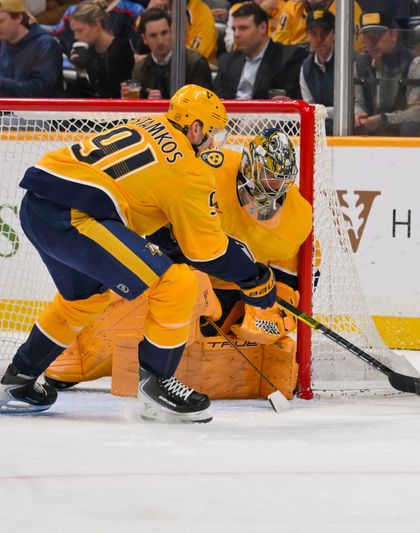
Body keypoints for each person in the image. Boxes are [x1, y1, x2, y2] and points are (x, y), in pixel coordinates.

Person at [0, 85, 278, 423]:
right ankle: (157, 384)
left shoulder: (148, 124)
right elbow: (209, 252)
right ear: (195, 128)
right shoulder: (189, 170)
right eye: (212, 133)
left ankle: (19, 380)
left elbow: (141, 197)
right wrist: (255, 279)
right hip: (74, 218)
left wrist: (170, 241)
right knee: (177, 284)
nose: (212, 143)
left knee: (84, 299)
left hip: (38, 206)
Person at [43, 128, 312, 396]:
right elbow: (163, 226)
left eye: (280, 180)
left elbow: (292, 279)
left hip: (234, 296)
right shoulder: (210, 172)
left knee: (203, 311)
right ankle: (79, 358)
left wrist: (270, 314)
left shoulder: (296, 218)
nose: (273, 186)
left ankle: (156, 372)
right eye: (267, 176)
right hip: (184, 276)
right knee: (177, 291)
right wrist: (181, 265)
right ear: (249, 165)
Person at [353, 10, 420, 136]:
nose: (372, 42)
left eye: (378, 35)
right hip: (368, 141)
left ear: (394, 35)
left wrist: (383, 120)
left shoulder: (415, 64)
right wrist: (358, 114)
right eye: (368, 36)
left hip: (405, 142)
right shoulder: (359, 65)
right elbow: (357, 101)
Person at [214, 1, 304, 99]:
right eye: (234, 29)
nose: (236, 35)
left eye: (243, 28)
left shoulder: (288, 58)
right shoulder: (226, 61)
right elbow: (217, 102)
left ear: (263, 27)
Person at [125, 7, 213, 99]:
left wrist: (163, 103)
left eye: (164, 33)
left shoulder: (196, 63)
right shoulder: (140, 68)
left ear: (171, 31)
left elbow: (202, 105)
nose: (160, 41)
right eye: (153, 36)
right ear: (144, 39)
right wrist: (128, 99)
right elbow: (137, 110)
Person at [68, 0, 134, 98]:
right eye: (74, 31)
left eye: (80, 30)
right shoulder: (88, 52)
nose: (76, 37)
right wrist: (79, 69)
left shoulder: (122, 50)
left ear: (96, 24)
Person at [0, 0, 63, 97]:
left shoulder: (46, 45)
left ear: (19, 18)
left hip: (39, 110)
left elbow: (40, 90)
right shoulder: (4, 40)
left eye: (1, 21)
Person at [52, 0, 144, 55]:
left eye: (80, 30)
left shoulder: (134, 11)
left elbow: (139, 50)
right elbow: (55, 43)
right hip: (76, 75)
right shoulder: (74, 11)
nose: (76, 36)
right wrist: (71, 63)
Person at [143, 0, 218, 64]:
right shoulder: (157, 6)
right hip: (157, 67)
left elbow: (198, 54)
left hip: (195, 71)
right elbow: (139, 42)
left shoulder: (201, 11)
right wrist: (149, 10)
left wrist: (160, 57)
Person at [299, 8, 334, 133]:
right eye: (314, 33)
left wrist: (317, 111)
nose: (319, 39)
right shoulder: (305, 67)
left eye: (324, 33)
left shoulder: (348, 64)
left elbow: (348, 111)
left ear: (334, 34)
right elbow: (309, 108)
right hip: (319, 128)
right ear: (307, 36)